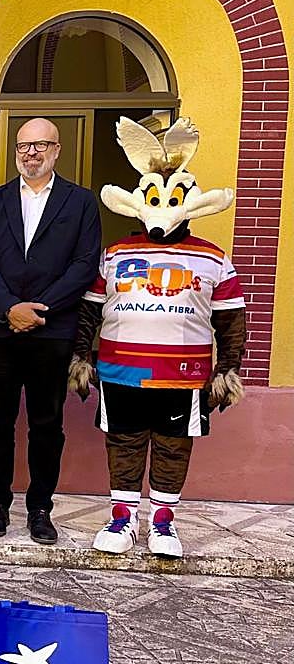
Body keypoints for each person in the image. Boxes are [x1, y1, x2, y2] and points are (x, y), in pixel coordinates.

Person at [70, 117, 246, 559]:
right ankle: (123, 519)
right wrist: (80, 356)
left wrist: (227, 370)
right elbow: (91, 309)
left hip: (182, 376)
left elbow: (230, 319)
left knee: (172, 449)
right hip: (121, 371)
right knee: (123, 445)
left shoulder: (213, 257)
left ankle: (164, 524)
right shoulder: (116, 252)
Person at [0, 118, 101, 544]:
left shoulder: (80, 202)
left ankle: (41, 508)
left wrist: (39, 309)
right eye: (24, 145)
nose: (31, 153)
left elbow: (84, 264)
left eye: (41, 145)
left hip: (51, 329)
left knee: (47, 423)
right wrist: (9, 307)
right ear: (15, 151)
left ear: (57, 150)